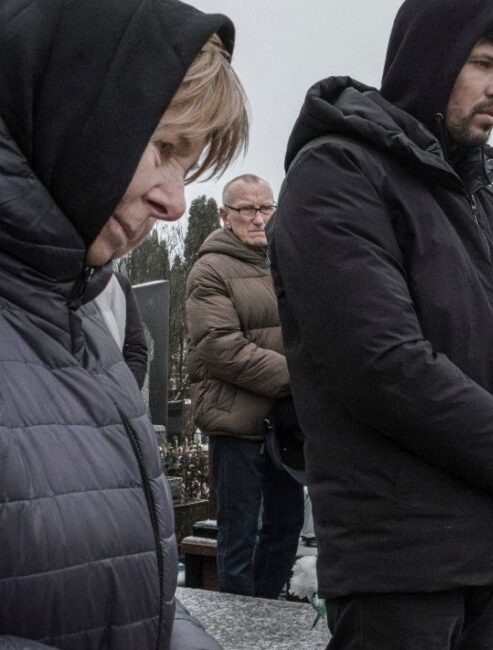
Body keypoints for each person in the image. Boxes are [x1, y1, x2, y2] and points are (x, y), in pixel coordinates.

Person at [0, 0, 248, 646]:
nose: (176, 202)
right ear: (74, 97)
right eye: (163, 147)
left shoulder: (76, 300)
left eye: (188, 164)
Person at [267, 2, 493, 647]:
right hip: (401, 555)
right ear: (430, 64)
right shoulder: (338, 174)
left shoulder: (490, 206)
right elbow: (383, 363)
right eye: (482, 64)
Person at [186, 174, 304, 599]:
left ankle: (266, 616)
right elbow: (221, 347)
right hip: (236, 423)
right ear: (225, 215)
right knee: (238, 539)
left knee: (285, 528)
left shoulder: (287, 261)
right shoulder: (210, 269)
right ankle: (237, 628)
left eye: (266, 208)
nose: (258, 218)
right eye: (247, 209)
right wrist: (301, 377)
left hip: (286, 425)